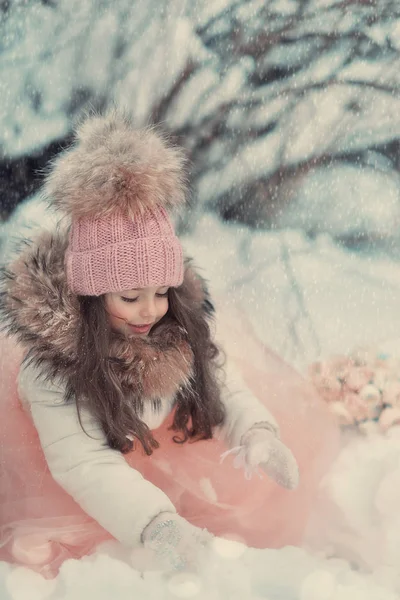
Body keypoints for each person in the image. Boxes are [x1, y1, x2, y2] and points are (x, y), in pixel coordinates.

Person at [0, 112, 339, 578]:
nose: (150, 311)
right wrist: (155, 523)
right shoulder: (54, 367)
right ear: (93, 296)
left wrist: (256, 431)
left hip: (157, 452)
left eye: (161, 292)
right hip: (85, 483)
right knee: (83, 559)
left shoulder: (174, 323)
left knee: (229, 525)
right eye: (130, 297)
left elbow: (221, 381)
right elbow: (83, 464)